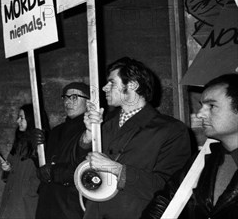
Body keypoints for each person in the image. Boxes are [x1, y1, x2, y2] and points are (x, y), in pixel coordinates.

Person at [77, 57, 192, 219]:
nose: (104, 88)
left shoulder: (171, 130)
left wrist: (117, 170)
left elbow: (169, 187)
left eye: (112, 83)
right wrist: (89, 135)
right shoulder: (103, 123)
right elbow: (77, 167)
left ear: (132, 85)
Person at [143, 73, 238, 218]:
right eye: (202, 106)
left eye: (211, 106)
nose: (200, 114)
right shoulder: (204, 159)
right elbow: (166, 200)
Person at [35, 82, 91, 219]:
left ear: (89, 102)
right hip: (48, 202)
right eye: (65, 97)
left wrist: (54, 172)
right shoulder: (56, 132)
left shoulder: (92, 131)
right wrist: (36, 149)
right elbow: (44, 165)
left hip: (70, 205)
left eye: (74, 97)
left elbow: (87, 170)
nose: (68, 102)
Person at [0, 103, 41, 219]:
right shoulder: (19, 142)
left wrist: (29, 191)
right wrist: (7, 169)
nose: (18, 121)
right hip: (11, 198)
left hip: (26, 202)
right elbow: (9, 172)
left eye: (22, 118)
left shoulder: (40, 146)